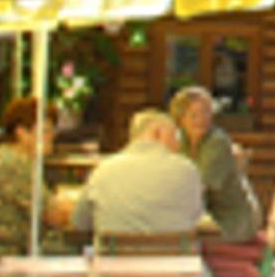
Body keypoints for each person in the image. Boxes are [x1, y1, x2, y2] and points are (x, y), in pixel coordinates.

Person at [0, 97, 69, 268]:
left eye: (52, 130)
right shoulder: (15, 164)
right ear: (21, 133)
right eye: (45, 131)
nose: (52, 136)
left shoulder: (1, 156)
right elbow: (55, 217)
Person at [71, 109, 203, 237]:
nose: (178, 145)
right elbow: (195, 216)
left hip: (115, 251)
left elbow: (80, 223)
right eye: (174, 136)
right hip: (174, 251)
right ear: (157, 133)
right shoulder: (187, 170)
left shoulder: (103, 170)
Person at [171, 85, 262, 242]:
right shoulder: (180, 140)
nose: (201, 120)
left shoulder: (216, 143)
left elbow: (201, 189)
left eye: (206, 112)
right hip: (207, 214)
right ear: (181, 118)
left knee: (182, 240)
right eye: (194, 115)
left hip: (232, 218)